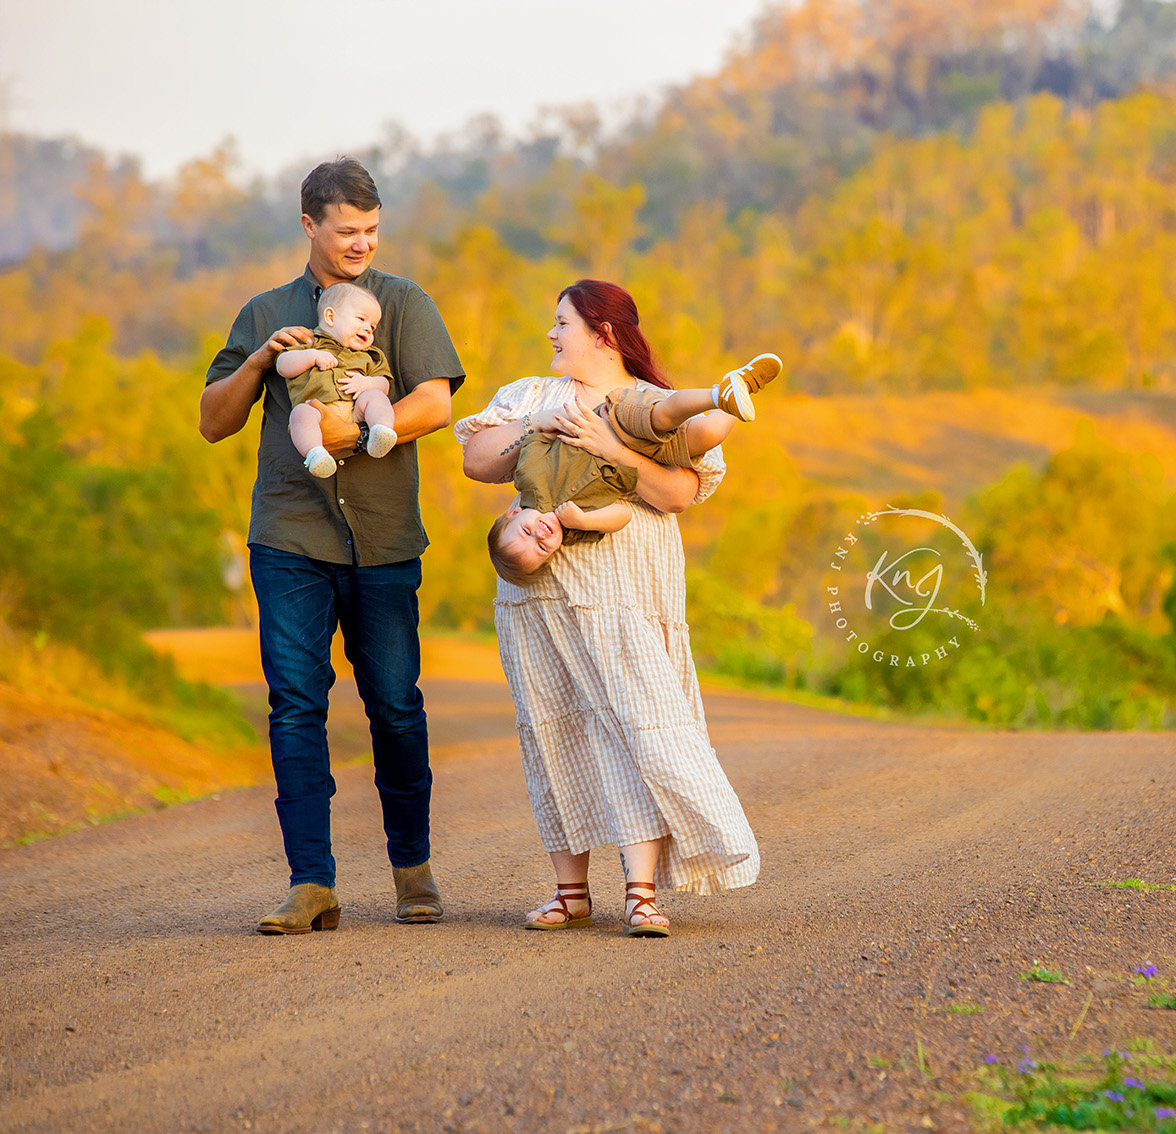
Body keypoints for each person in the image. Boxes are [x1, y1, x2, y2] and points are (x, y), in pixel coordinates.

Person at [199, 159, 464, 935]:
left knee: (395, 706)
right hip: (289, 537)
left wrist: (354, 429)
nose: (361, 245)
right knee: (294, 706)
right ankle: (311, 883)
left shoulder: (403, 302)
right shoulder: (264, 312)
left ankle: (412, 869)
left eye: (372, 231)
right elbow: (214, 421)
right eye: (347, 231)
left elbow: (436, 403)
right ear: (309, 225)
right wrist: (258, 360)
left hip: (382, 538)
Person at [456, 279, 760, 937]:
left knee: (640, 729)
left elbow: (678, 494)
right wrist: (534, 423)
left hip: (629, 597)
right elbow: (477, 460)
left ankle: (641, 894)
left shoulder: (647, 403)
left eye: (560, 321)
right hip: (539, 600)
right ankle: (570, 894)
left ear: (601, 330)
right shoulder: (530, 394)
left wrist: (610, 451)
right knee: (554, 731)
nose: (550, 333)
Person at [488, 352, 783, 584]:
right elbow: (622, 515)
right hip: (643, 457)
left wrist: (567, 423)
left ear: (514, 513)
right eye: (541, 547)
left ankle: (717, 395)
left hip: (615, 419)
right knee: (707, 435)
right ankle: (739, 387)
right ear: (551, 554)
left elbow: (540, 436)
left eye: (527, 531)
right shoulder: (573, 529)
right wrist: (584, 521)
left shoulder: (529, 476)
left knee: (663, 416)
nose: (540, 534)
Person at [276, 281, 400, 478]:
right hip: (317, 414)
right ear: (330, 317)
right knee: (300, 414)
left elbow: (384, 383)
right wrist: (313, 357)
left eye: (373, 327)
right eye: (361, 319)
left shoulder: (369, 356)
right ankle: (316, 454)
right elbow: (283, 365)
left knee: (376, 397)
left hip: (355, 414)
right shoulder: (309, 345)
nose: (368, 329)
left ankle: (380, 431)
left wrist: (367, 383)